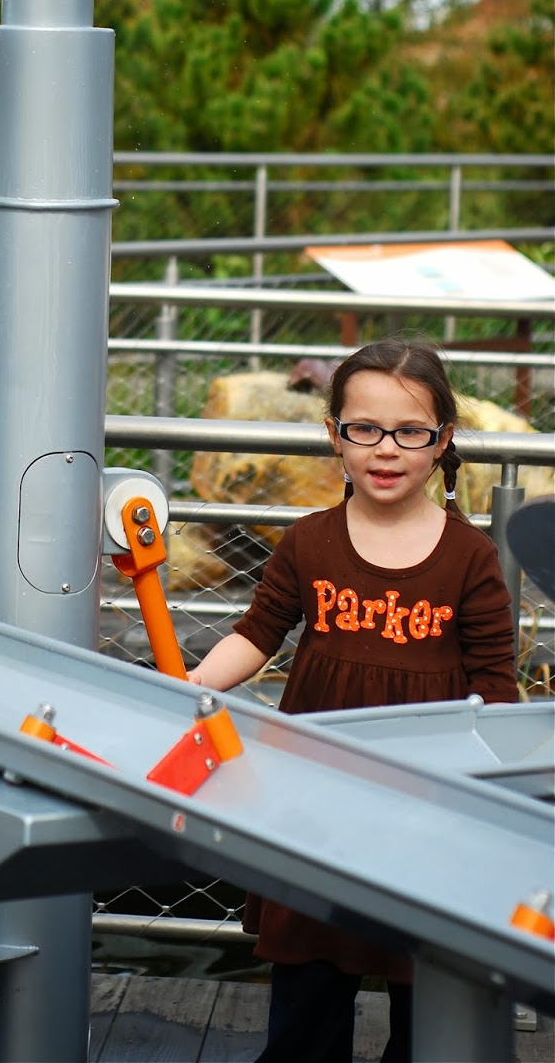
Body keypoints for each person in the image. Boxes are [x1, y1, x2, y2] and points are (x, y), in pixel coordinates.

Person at [189, 337, 518, 1063]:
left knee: (423, 978)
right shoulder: (307, 542)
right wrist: (193, 686)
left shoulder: (470, 556)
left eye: (409, 431)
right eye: (364, 428)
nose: (386, 448)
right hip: (316, 789)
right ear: (334, 434)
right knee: (309, 975)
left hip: (428, 799)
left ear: (442, 441)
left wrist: (492, 799)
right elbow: (257, 634)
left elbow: (495, 682)